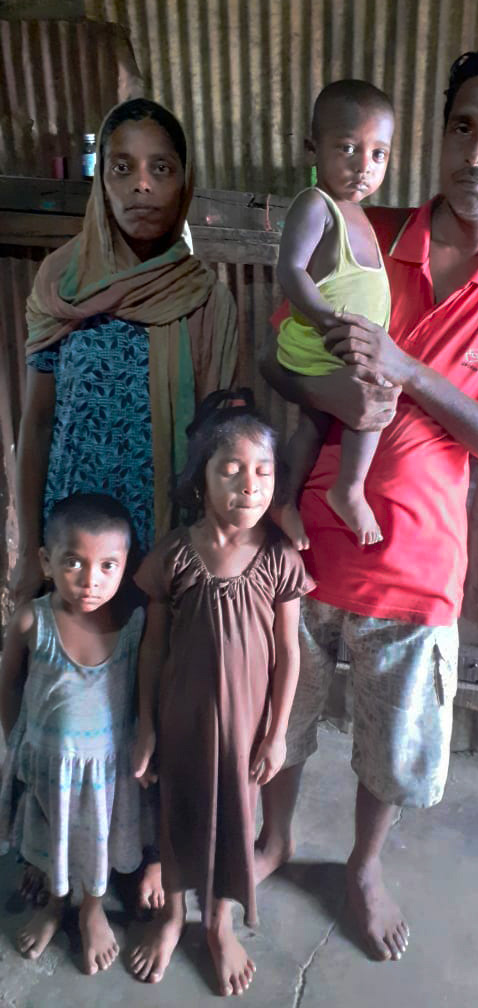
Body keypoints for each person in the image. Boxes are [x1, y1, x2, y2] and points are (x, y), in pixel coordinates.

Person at [258, 34, 478, 964]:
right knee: (287, 709)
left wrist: (409, 373)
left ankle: (360, 864)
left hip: (416, 563)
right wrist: (339, 394)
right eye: (460, 127)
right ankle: (275, 837)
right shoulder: (359, 229)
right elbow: (279, 359)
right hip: (306, 540)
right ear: (436, 136)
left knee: (391, 746)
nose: (476, 153)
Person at [13, 96, 238, 909]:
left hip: (157, 544)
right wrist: (23, 553)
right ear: (98, 180)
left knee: (147, 710)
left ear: (184, 184)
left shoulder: (205, 297)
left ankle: (145, 860)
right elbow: (35, 426)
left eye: (161, 168)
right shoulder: (59, 281)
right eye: (121, 167)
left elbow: (217, 444)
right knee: (65, 701)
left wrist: (198, 562)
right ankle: (56, 850)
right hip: (73, 542)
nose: (141, 185)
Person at [128, 390, 315, 995]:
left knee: (237, 822)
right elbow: (152, 646)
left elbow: (290, 655)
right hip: (181, 723)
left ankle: (220, 924)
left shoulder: (280, 559)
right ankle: (173, 917)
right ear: (201, 478)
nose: (248, 486)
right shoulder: (176, 553)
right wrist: (146, 725)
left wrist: (278, 731)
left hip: (245, 732)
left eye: (262, 472)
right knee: (175, 817)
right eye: (230, 470)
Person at [0, 493, 144, 974]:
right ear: (45, 561)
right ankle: (53, 907)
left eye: (107, 565)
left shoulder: (132, 625)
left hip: (107, 772)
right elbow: (8, 687)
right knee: (47, 837)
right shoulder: (31, 621)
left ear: (126, 566)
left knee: (98, 842)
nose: (90, 580)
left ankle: (91, 908)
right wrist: (17, 743)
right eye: (73, 563)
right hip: (46, 765)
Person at [276, 80, 394, 549]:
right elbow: (290, 270)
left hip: (339, 342)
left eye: (378, 154)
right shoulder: (316, 205)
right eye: (348, 148)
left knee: (312, 424)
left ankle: (285, 499)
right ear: (314, 149)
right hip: (319, 340)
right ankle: (348, 488)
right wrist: (327, 320)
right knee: (376, 396)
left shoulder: (361, 215)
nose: (364, 166)